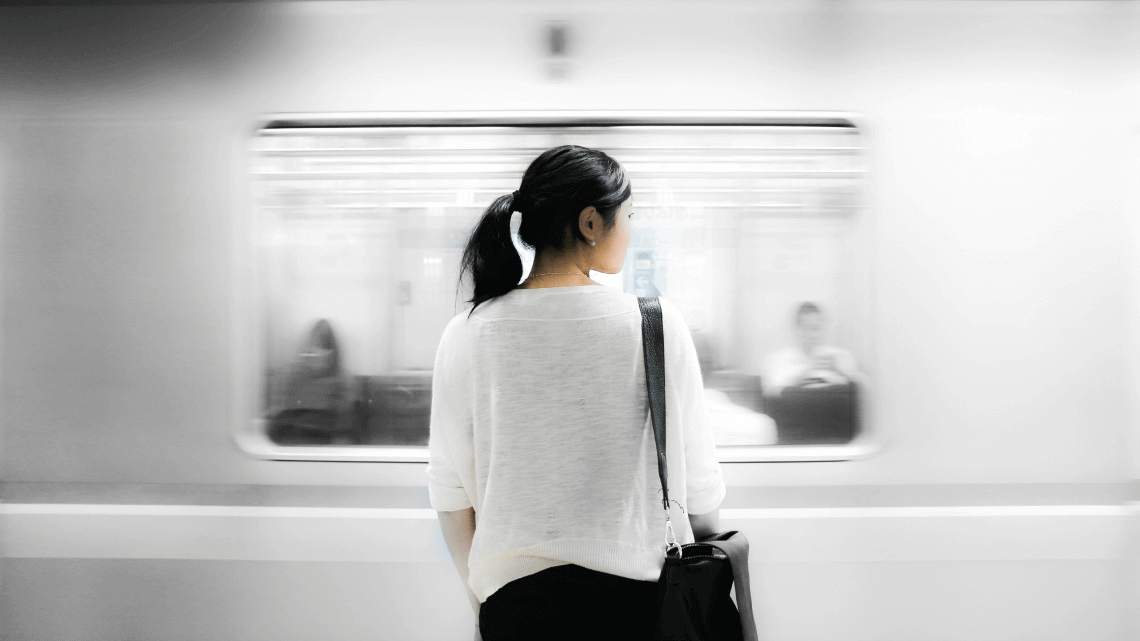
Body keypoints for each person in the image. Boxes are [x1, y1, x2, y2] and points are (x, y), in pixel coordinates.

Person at [426, 145, 727, 641]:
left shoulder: (465, 331)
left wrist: (483, 604)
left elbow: (450, 493)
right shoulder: (656, 324)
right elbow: (698, 489)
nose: (630, 231)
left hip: (514, 611)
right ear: (591, 223)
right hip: (639, 608)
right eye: (627, 216)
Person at [762, 302, 863, 398]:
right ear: (796, 329)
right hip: (792, 412)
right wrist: (807, 370)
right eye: (805, 328)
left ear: (823, 328)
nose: (811, 334)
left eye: (815, 328)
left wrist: (839, 371)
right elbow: (770, 393)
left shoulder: (839, 356)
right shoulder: (778, 359)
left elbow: (863, 388)